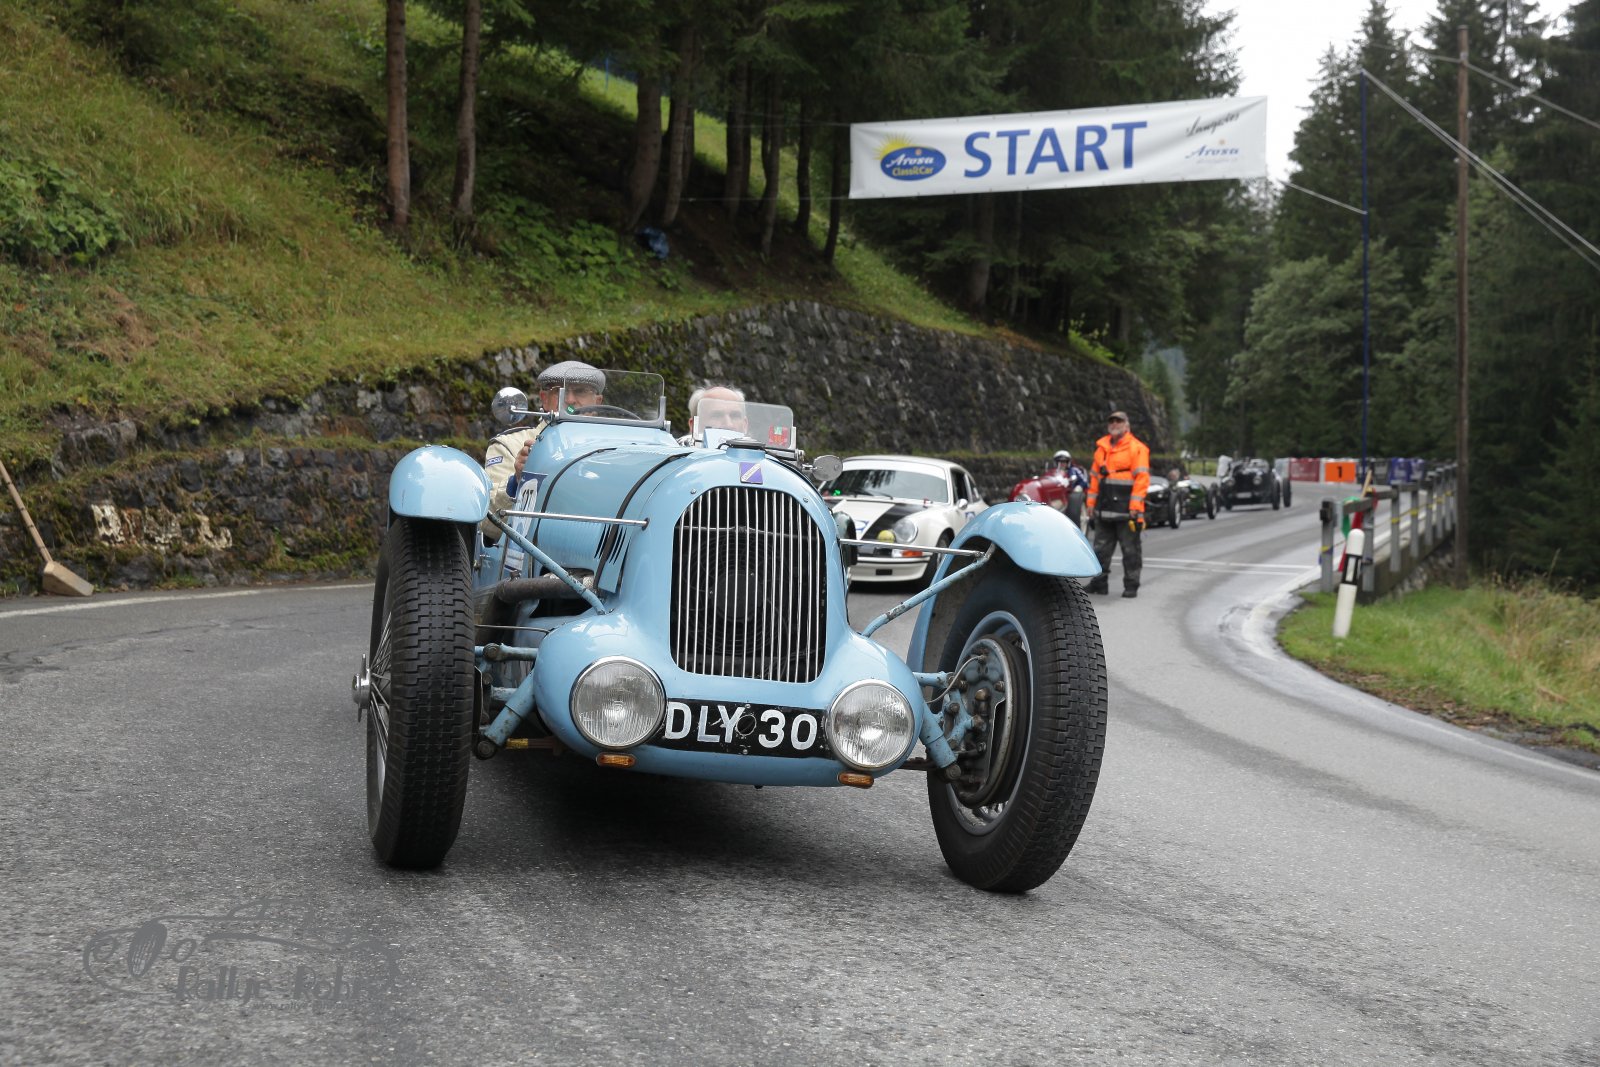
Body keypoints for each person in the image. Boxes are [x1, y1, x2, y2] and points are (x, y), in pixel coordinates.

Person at [481, 360, 604, 540]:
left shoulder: (616, 449)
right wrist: (517, 481)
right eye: (559, 391)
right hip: (529, 552)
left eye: (580, 391)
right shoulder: (509, 445)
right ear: (544, 399)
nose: (570, 400)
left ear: (597, 402)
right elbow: (488, 525)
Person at [1084, 410, 1150, 598]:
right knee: (1100, 550)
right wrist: (1090, 503)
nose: (1114, 424)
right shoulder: (1101, 448)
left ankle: (1131, 585)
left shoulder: (1137, 448)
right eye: (1111, 421)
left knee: (1130, 551)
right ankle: (1099, 583)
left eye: (1118, 421)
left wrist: (1135, 507)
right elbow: (1094, 479)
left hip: (1126, 511)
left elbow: (1142, 479)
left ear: (1126, 425)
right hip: (1104, 509)